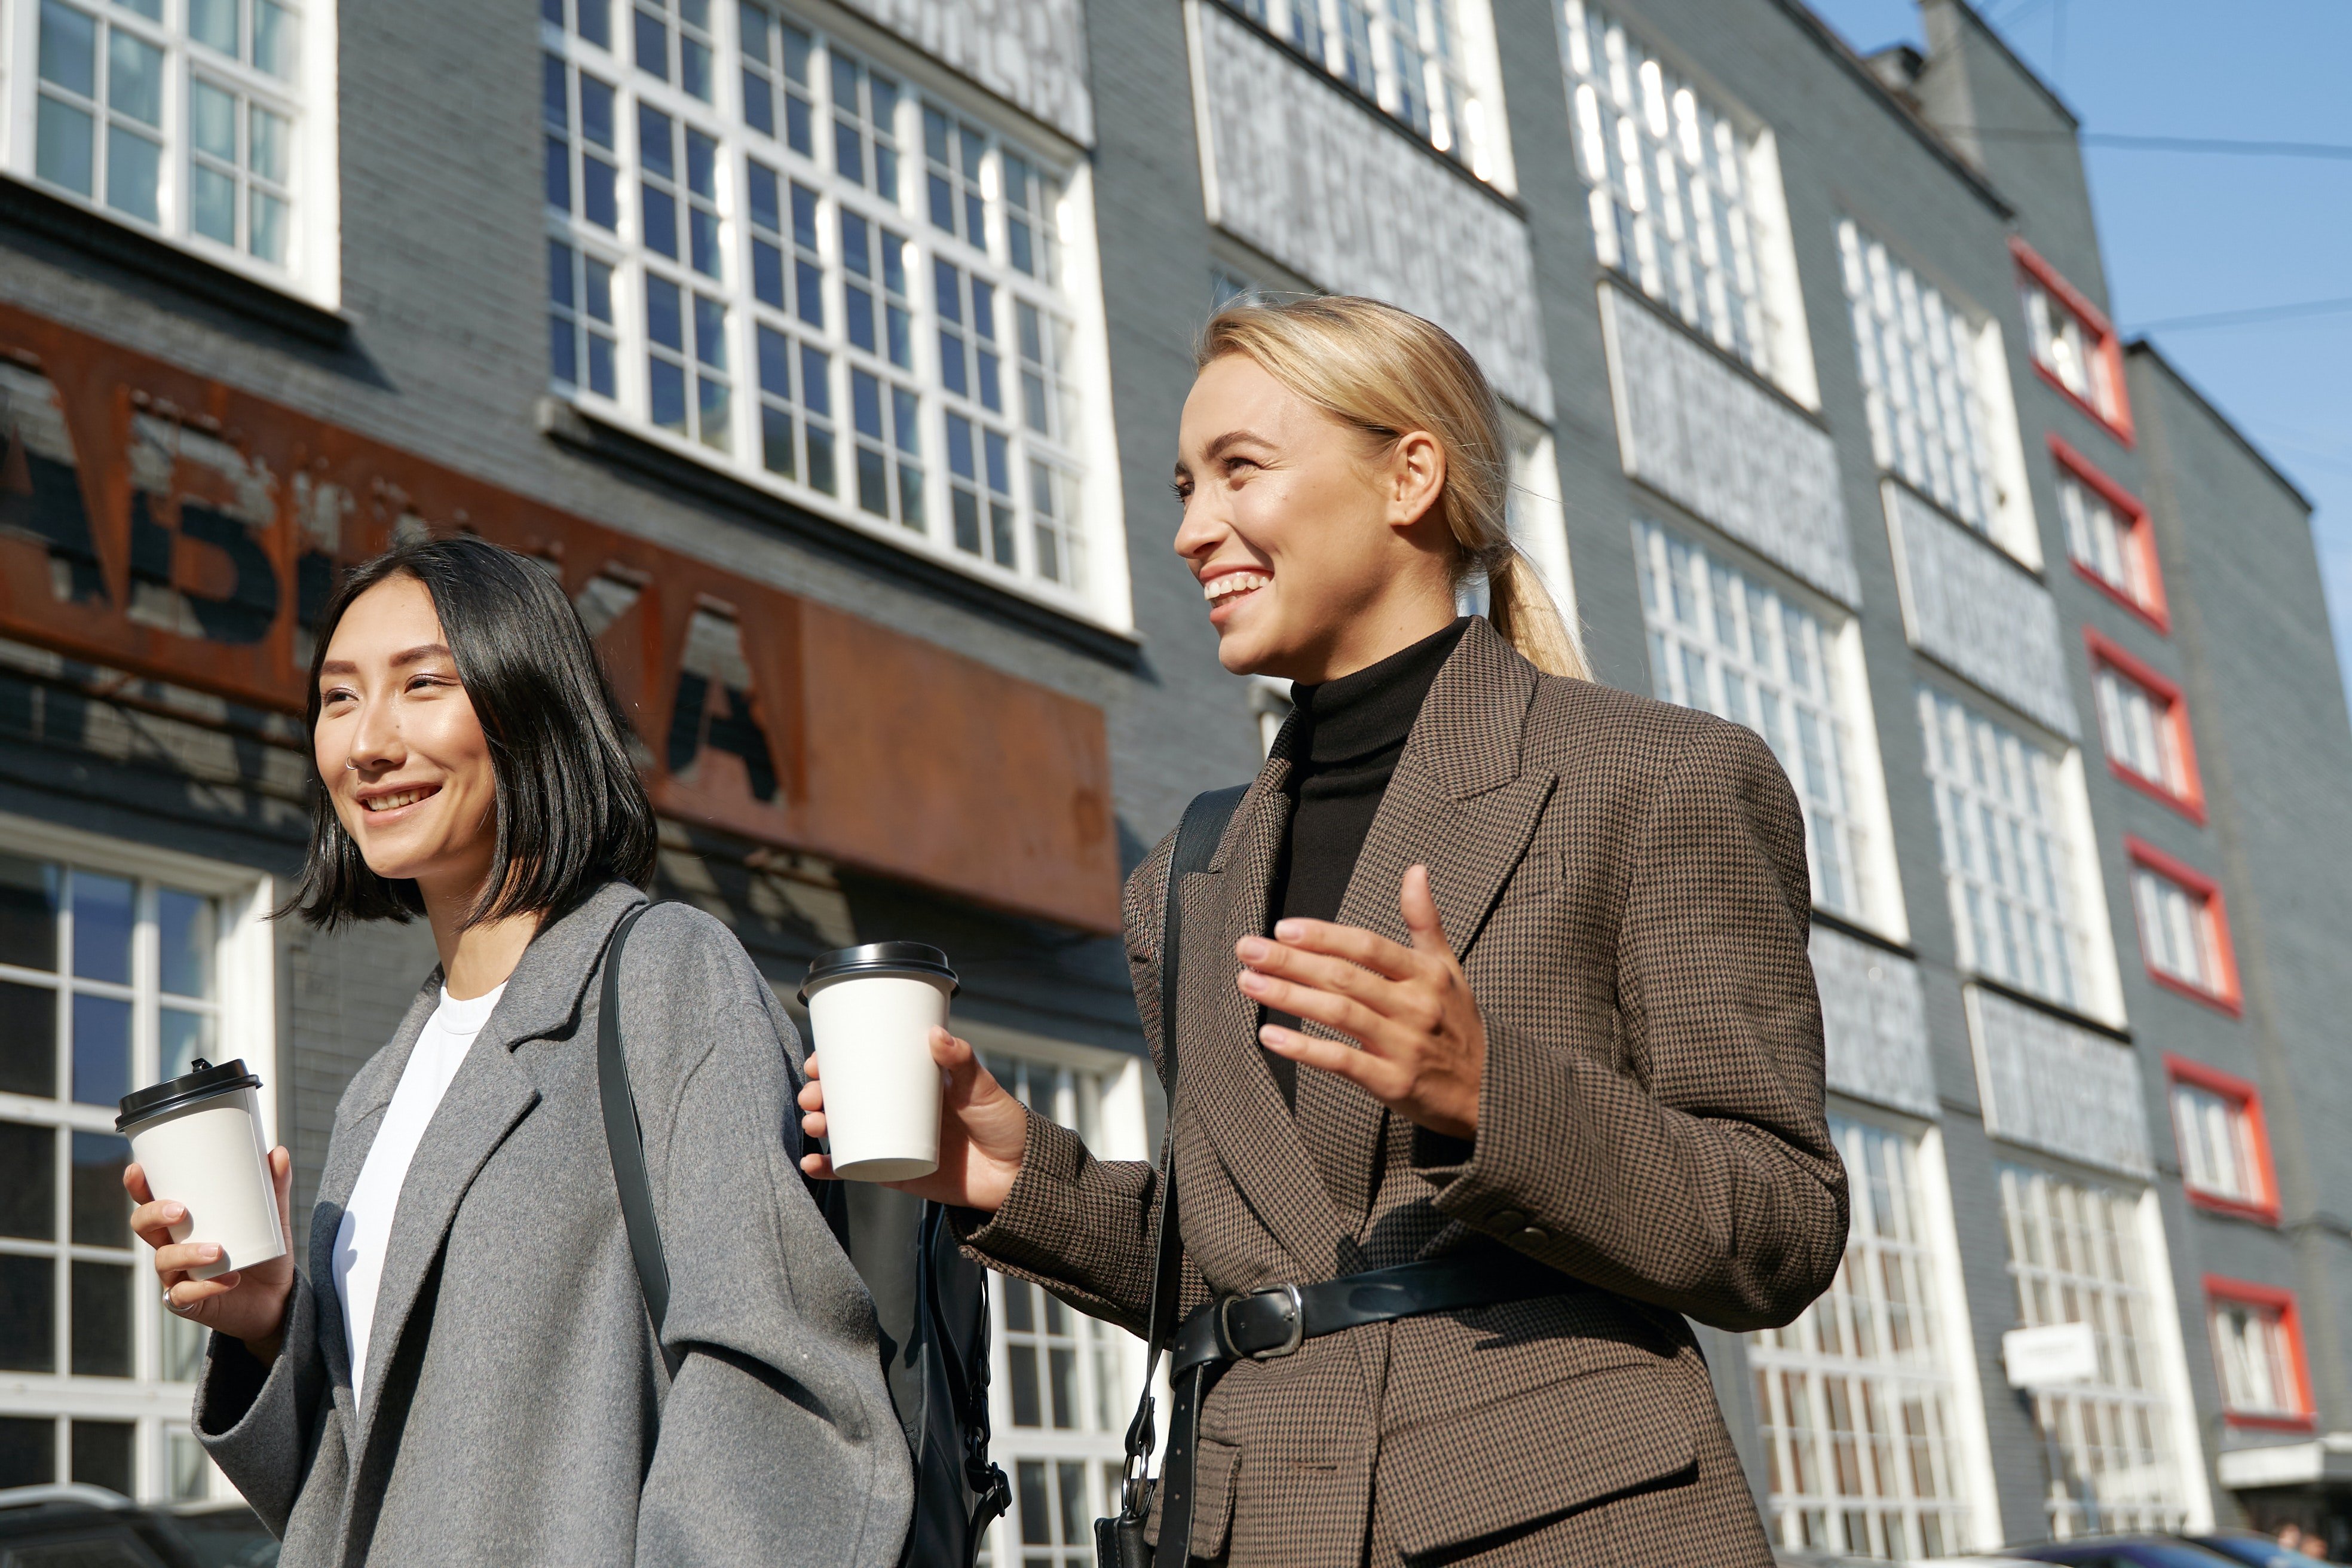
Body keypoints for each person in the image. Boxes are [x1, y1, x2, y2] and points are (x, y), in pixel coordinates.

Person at [797, 296, 1846, 1565]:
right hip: (1258, 1528)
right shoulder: (1190, 870)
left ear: (1412, 474)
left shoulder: (1661, 777)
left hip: (1558, 1521)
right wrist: (1015, 1177)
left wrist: (1485, 1093)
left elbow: (1780, 1223)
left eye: (1241, 470)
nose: (1191, 530)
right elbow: (1266, 1273)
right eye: (1184, 486)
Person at [128, 537, 912, 1566]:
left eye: (423, 686)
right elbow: (365, 1500)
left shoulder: (664, 977)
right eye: (338, 698)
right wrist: (271, 1330)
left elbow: (778, 1399)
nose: (367, 743)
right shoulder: (380, 1090)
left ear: (529, 706)